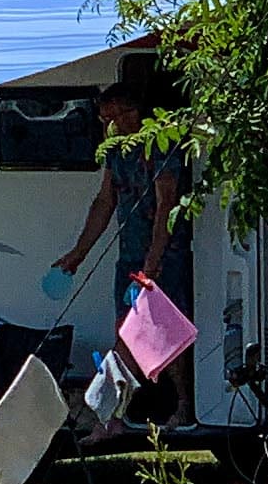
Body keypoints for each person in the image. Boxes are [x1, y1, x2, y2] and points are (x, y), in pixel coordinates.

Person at [53, 80, 194, 407]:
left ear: (131, 113)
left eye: (112, 118)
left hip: (162, 260)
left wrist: (154, 259)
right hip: (129, 258)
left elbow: (166, 203)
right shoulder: (115, 152)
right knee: (127, 333)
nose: (108, 126)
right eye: (103, 120)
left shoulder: (158, 145)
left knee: (166, 335)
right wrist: (79, 253)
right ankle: (117, 414)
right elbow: (105, 202)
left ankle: (184, 406)